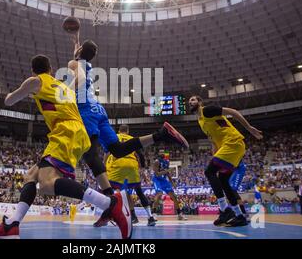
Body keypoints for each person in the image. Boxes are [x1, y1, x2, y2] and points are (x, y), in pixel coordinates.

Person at [0, 55, 132, 239]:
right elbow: (81, 77)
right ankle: (13, 224)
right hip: (74, 132)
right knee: (31, 175)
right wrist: (77, 60)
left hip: (66, 132)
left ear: (33, 70)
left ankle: (110, 203)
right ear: (51, 70)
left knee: (47, 184)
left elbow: (8, 101)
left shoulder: (36, 81)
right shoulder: (64, 86)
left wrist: (12, 94)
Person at [67, 32, 189, 225]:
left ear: (81, 52)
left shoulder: (75, 65)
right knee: (118, 150)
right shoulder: (86, 63)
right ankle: (161, 134)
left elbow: (78, 75)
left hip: (86, 111)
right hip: (99, 110)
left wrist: (65, 89)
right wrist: (76, 40)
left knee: (90, 155)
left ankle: (110, 203)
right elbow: (79, 57)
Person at [188, 95, 263, 227]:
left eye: (193, 100)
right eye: (189, 101)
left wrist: (249, 128)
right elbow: (213, 140)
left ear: (200, 102)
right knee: (223, 180)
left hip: (233, 143)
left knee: (209, 172)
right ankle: (239, 216)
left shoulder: (207, 110)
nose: (190, 102)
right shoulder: (200, 121)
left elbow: (232, 112)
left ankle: (224, 210)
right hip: (227, 147)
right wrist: (214, 155)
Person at [104, 124, 157, 227]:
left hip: (118, 165)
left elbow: (107, 152)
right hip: (132, 166)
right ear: (127, 131)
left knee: (108, 189)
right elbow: (140, 155)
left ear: (119, 131)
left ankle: (108, 216)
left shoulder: (114, 137)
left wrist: (104, 165)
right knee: (139, 192)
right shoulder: (132, 139)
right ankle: (150, 218)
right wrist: (142, 167)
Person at [151, 150, 187, 221]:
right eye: (160, 152)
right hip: (157, 180)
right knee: (159, 194)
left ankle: (179, 215)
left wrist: (172, 182)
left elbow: (168, 174)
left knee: (174, 196)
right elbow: (157, 174)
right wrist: (167, 171)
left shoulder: (167, 162)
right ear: (158, 154)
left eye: (163, 152)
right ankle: (153, 214)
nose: (162, 153)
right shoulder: (156, 162)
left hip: (164, 180)